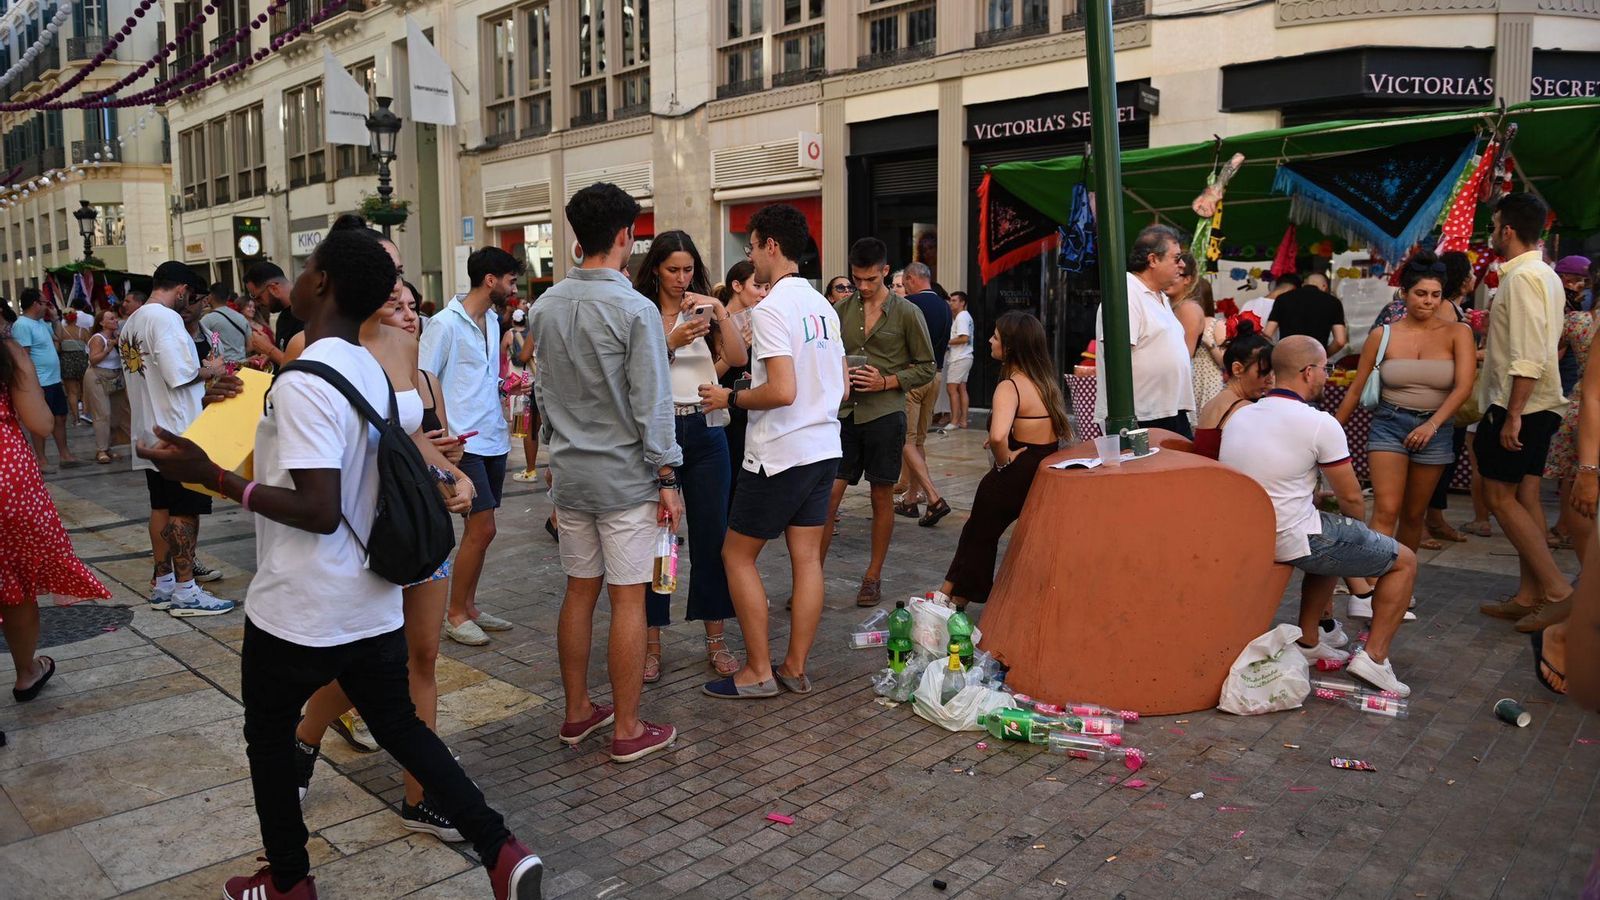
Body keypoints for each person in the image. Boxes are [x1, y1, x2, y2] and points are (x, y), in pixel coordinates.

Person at [137, 227, 544, 900]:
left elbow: (320, 506)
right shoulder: (363, 369)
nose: (293, 278)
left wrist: (212, 474)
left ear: (321, 284)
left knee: (269, 738)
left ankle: (289, 882)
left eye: (304, 268)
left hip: (299, 603)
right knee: (402, 729)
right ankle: (502, 848)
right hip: (371, 595)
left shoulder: (306, 379)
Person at [291, 220, 478, 843]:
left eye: (399, 274)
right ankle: (304, 735)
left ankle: (420, 797)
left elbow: (416, 431)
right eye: (383, 272)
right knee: (371, 662)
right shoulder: (314, 347)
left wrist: (450, 470)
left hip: (415, 524)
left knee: (422, 655)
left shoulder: (404, 345)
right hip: (356, 530)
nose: (396, 289)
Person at [529, 181, 682, 764]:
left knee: (578, 593)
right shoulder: (634, 309)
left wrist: (548, 456)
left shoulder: (544, 306)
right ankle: (627, 727)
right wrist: (668, 479)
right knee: (628, 601)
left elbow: (543, 393)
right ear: (626, 235)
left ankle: (577, 713)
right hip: (624, 477)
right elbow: (652, 403)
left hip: (570, 473)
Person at [697, 201, 845, 698]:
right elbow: (841, 387)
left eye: (753, 246)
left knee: (736, 556)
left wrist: (730, 397)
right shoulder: (824, 305)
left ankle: (757, 670)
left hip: (780, 450)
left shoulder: (774, 308)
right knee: (807, 560)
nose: (751, 256)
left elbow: (781, 390)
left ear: (771, 246)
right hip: (824, 446)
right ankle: (794, 666)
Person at [1220, 336, 1418, 695]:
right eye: (1325, 368)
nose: (1327, 376)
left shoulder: (1241, 414)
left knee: (1332, 535)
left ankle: (1309, 642)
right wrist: (1361, 538)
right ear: (1308, 372)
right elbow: (1352, 497)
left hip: (1246, 533)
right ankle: (1374, 659)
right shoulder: (1319, 422)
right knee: (1404, 561)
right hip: (1288, 537)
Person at [633, 230, 747, 681]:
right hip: (660, 431)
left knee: (711, 538)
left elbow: (737, 357)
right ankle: (651, 642)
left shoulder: (704, 308)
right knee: (659, 540)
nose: (681, 279)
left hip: (705, 427)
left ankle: (715, 639)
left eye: (687, 270)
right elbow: (637, 374)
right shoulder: (641, 313)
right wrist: (675, 338)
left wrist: (719, 310)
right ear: (655, 270)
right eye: (671, 270)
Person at [1332, 251, 1476, 583]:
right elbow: (1355, 390)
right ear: (1405, 294)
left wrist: (1432, 424)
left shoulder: (1458, 333)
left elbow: (1464, 386)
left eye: (1436, 295)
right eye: (1421, 294)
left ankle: (1400, 584)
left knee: (1414, 515)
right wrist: (1331, 429)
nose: (1429, 302)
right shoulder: (1382, 335)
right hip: (1389, 424)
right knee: (1385, 509)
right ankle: (1369, 586)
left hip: (1435, 429)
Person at [0, 330, 112, 730]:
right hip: (7, 480)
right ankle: (27, 671)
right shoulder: (8, 349)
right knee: (15, 580)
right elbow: (41, 423)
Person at [1475, 193, 1576, 633]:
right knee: (1523, 496)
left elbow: (1531, 354)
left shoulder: (1525, 276)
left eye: (1494, 225)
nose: (1492, 232)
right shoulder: (1539, 273)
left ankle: (1557, 593)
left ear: (1507, 230)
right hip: (1531, 403)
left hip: (1523, 405)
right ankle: (1531, 594)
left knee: (1499, 497)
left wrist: (1513, 413)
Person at [821, 237, 936, 607]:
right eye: (858, 279)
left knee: (880, 494)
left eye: (871, 279)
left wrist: (886, 381)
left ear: (886, 271)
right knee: (829, 497)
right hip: (845, 413)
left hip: (885, 413)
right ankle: (813, 576)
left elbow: (927, 367)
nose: (864, 287)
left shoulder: (907, 312)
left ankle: (873, 576)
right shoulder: (841, 310)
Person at [421, 246, 524, 647]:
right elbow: (425, 382)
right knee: (481, 527)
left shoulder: (493, 323)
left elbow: (477, 377)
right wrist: (441, 438)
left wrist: (505, 385)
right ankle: (455, 613)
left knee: (483, 530)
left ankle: (469, 605)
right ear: (490, 280)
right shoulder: (445, 324)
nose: (514, 289)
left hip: (494, 435)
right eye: (511, 281)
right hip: (463, 443)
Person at [121, 262, 236, 616]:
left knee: (161, 506)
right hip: (180, 433)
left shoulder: (133, 321)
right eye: (194, 297)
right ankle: (187, 590)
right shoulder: (166, 319)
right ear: (183, 289)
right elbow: (180, 374)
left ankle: (164, 583)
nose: (192, 304)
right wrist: (214, 369)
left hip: (150, 430)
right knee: (186, 509)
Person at [937, 312, 1066, 608]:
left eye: (996, 336)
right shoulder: (1044, 381)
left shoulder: (1010, 385)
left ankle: (950, 599)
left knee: (979, 534)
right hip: (1040, 465)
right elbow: (1043, 430)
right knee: (978, 531)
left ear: (1010, 347)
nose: (990, 341)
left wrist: (1004, 459)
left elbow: (998, 437)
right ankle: (953, 597)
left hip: (1016, 471)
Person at [1095, 225, 1195, 437]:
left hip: (1168, 411)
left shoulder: (1160, 297)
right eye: (1176, 258)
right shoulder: (1127, 293)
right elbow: (1117, 355)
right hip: (1141, 417)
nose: (1182, 265)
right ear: (1153, 260)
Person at [1425, 250, 1483, 546]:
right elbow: (1444, 352)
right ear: (1460, 280)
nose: (1474, 277)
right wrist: (1482, 354)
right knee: (1434, 463)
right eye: (1470, 272)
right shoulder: (1446, 308)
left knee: (1446, 460)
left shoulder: (1453, 308)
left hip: (1450, 398)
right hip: (1442, 398)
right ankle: (1422, 523)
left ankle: (1435, 519)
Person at [1546, 259, 1600, 552]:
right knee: (1581, 479)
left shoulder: (1578, 321)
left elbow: (1552, 351)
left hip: (1576, 402)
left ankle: (1563, 526)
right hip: (1586, 404)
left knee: (1573, 476)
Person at [894, 261, 953, 526]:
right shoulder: (945, 305)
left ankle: (933, 498)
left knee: (905, 440)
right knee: (918, 441)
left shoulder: (909, 305)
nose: (903, 287)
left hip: (913, 377)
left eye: (904, 282)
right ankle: (911, 499)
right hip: (936, 375)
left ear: (911, 279)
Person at [716, 260, 769, 503]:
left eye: (766, 287)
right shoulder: (713, 323)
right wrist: (741, 347)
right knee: (727, 483)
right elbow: (709, 374)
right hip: (723, 413)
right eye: (757, 286)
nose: (763, 293)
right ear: (736, 286)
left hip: (753, 411)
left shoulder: (763, 319)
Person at [11, 289, 81, 469]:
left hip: (53, 380)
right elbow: (23, 357)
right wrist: (31, 384)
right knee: (39, 421)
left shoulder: (41, 323)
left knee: (60, 417)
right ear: (35, 304)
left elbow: (57, 338)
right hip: (39, 382)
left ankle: (64, 454)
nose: (47, 306)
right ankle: (41, 459)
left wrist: (56, 318)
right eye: (45, 303)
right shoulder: (22, 325)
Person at [1191, 319, 1274, 460]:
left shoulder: (1213, 403)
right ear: (1237, 369)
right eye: (1264, 372)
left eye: (1272, 372)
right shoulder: (1244, 409)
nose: (1270, 380)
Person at [85, 307, 130, 464]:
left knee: (118, 413)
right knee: (102, 414)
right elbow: (93, 359)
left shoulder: (117, 336)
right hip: (98, 375)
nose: (115, 320)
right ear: (102, 323)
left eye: (115, 318)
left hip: (115, 376)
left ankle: (109, 447)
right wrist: (108, 349)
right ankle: (101, 450)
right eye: (111, 319)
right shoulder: (98, 339)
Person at [244, 262, 300, 372]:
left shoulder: (308, 313)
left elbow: (305, 369)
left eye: (257, 297)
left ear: (274, 289)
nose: (257, 303)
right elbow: (286, 357)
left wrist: (269, 349)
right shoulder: (284, 317)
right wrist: (270, 356)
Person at [943, 290, 974, 431]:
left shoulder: (961, 316)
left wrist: (946, 342)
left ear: (963, 303)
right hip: (965, 356)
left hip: (959, 357)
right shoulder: (964, 316)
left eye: (954, 300)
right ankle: (963, 421)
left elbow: (964, 338)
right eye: (951, 300)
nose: (951, 303)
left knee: (951, 389)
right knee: (962, 388)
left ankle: (954, 421)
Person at [57, 299, 92, 426]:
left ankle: (76, 419)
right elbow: (90, 345)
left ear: (65, 319)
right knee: (83, 389)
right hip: (81, 360)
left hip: (66, 361)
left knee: (71, 392)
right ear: (76, 318)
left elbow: (59, 347)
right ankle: (85, 413)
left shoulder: (61, 331)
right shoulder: (83, 331)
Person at [202, 281, 253, 365]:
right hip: (242, 366)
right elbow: (251, 345)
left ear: (210, 296)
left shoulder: (208, 319)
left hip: (223, 368)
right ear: (228, 297)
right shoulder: (241, 318)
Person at [241, 295, 277, 371]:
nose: (252, 309)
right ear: (241, 308)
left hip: (273, 358)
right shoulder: (241, 326)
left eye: (254, 307)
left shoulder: (261, 322)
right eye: (249, 306)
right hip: (257, 363)